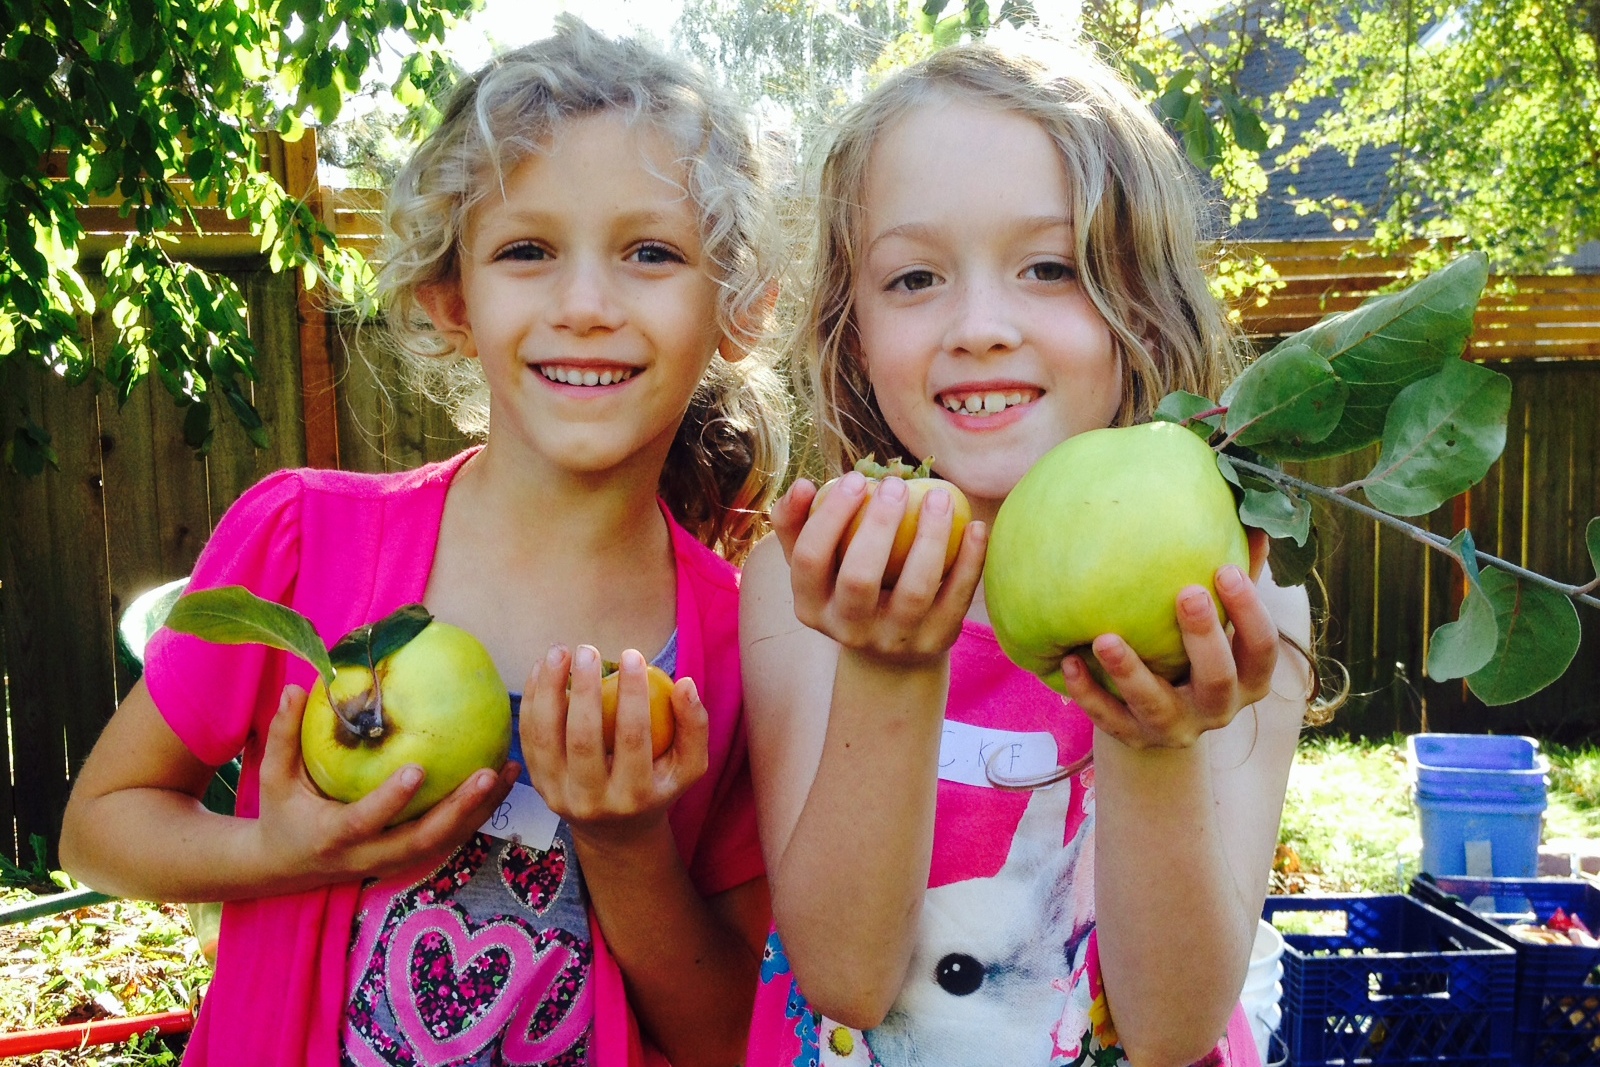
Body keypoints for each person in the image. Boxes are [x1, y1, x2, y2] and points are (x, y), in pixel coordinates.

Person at [59, 17, 788, 1067]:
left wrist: (628, 847)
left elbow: (725, 1036)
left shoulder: (739, 642)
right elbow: (98, 826)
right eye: (527, 251)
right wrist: (277, 846)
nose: (586, 304)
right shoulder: (307, 537)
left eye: (651, 252)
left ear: (738, 310)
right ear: (453, 301)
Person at [741, 37, 1318, 1067]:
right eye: (913, 277)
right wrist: (890, 660)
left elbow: (1170, 1026)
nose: (978, 325)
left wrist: (1153, 737)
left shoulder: (1237, 598)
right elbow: (845, 974)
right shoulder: (815, 574)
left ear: (1142, 305)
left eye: (1048, 268)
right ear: (852, 328)